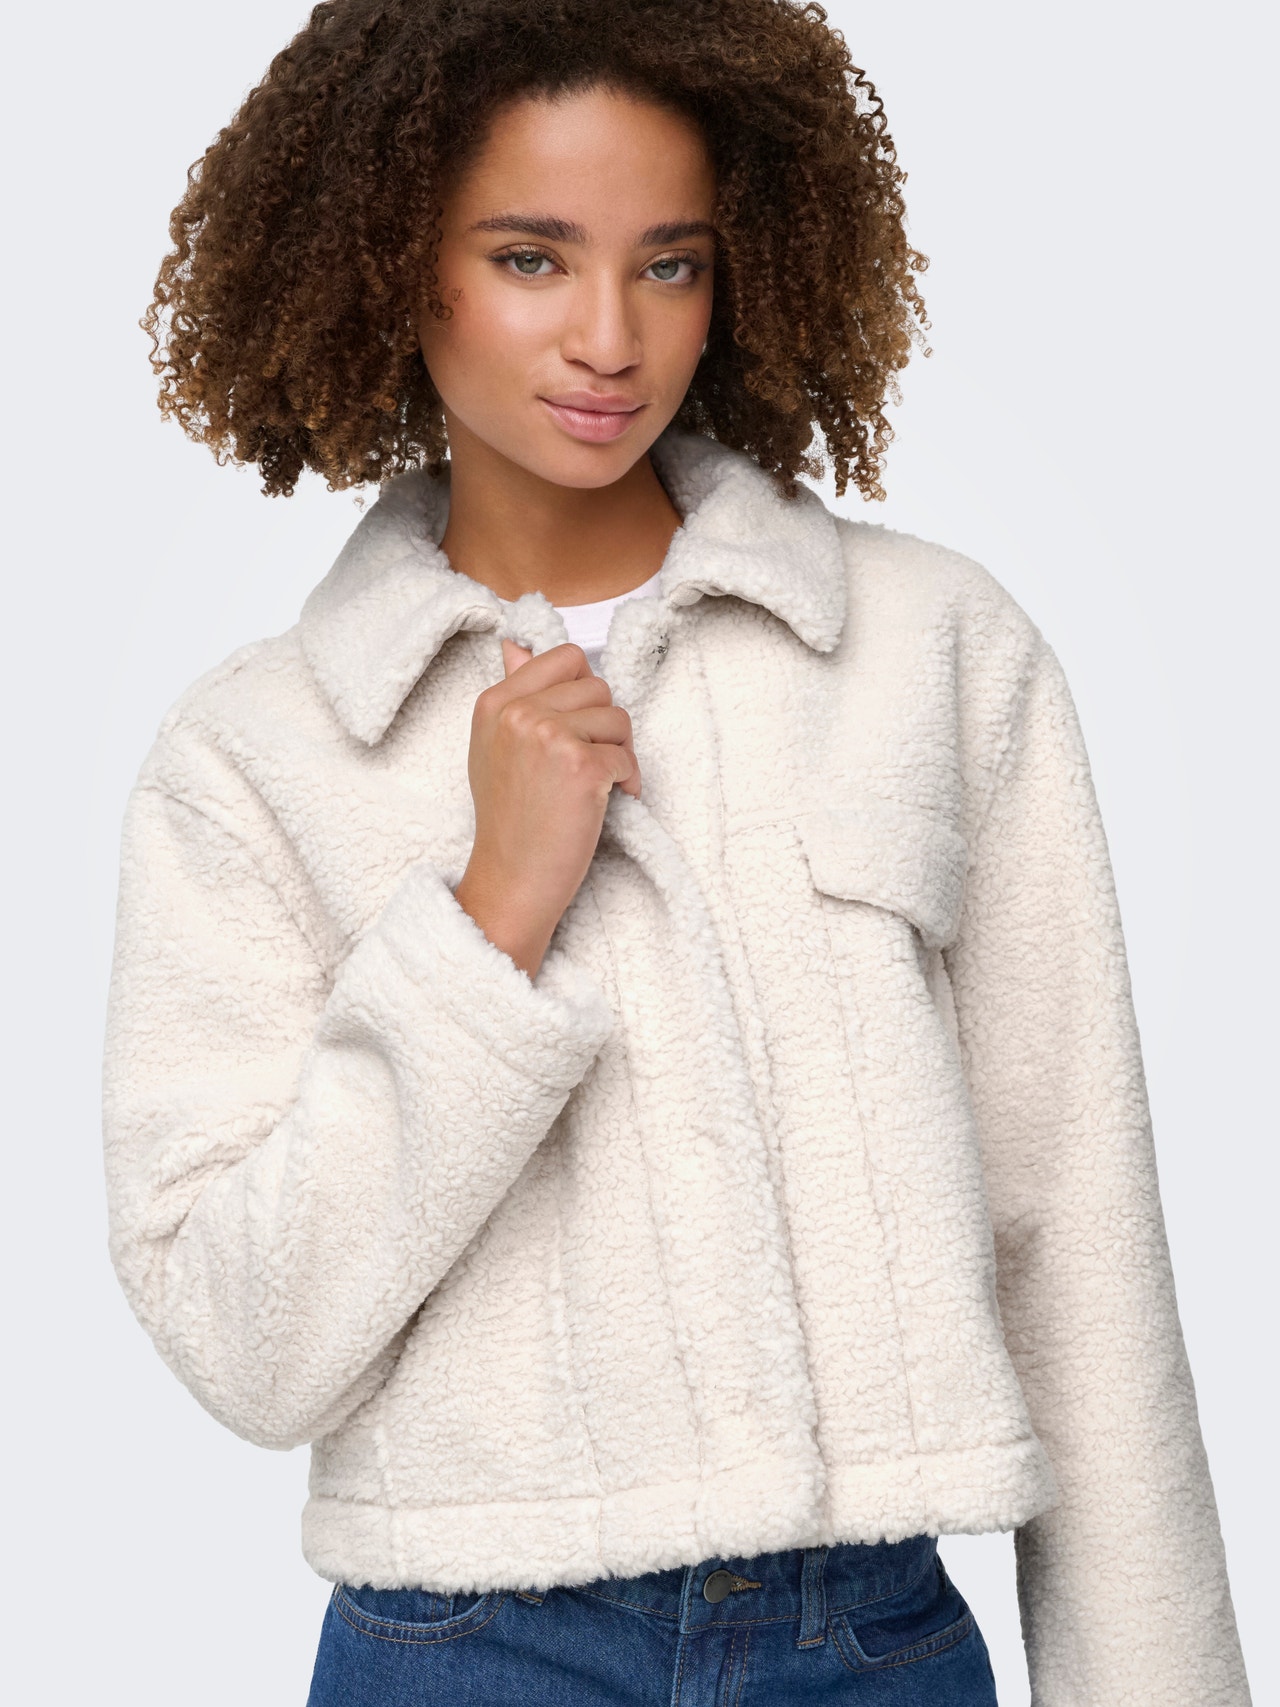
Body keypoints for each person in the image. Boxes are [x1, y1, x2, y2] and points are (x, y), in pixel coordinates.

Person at [102, 0, 1251, 1702]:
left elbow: (1079, 1243)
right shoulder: (262, 753)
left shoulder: (931, 652)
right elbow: (243, 1342)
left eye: (670, 264)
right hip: (469, 1648)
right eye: (529, 258)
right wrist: (488, 921)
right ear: (393, 265)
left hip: (867, 1641)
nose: (609, 338)